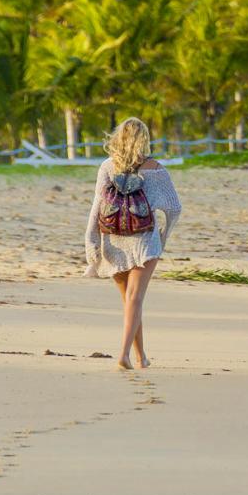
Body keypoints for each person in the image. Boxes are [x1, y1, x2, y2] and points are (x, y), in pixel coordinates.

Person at [84, 117, 182, 370]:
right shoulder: (156, 169)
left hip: (113, 241)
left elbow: (96, 209)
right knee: (135, 299)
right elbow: (174, 208)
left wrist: (91, 244)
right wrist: (163, 235)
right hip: (144, 241)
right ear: (144, 140)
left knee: (129, 301)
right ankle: (124, 355)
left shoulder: (107, 166)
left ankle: (141, 357)